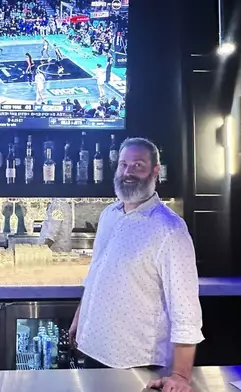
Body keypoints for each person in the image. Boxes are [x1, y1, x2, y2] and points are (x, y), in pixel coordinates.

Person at [68, 138, 203, 392]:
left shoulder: (169, 229)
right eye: (124, 165)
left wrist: (181, 376)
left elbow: (186, 309)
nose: (128, 172)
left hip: (137, 361)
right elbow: (96, 272)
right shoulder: (109, 214)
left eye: (138, 165)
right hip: (93, 347)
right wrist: (80, 317)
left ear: (155, 171)